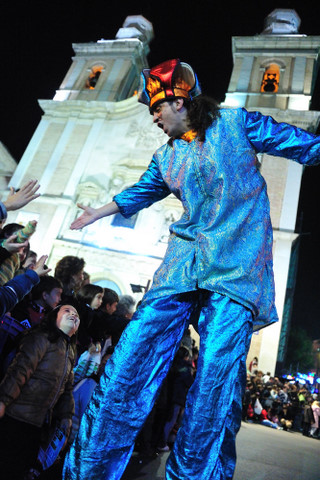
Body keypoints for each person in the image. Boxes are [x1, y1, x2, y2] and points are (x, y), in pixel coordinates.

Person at [63, 58, 320, 480]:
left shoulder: (236, 124)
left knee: (213, 386)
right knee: (128, 363)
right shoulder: (166, 157)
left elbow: (303, 145)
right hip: (182, 266)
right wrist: (97, 213)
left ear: (179, 101)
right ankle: (89, 470)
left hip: (235, 269)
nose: (154, 118)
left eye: (157, 109)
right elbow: (139, 193)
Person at [0, 304, 80, 480]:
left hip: (37, 425)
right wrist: (3, 401)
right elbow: (20, 369)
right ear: (54, 317)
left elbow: (67, 390)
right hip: (16, 417)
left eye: (76, 314)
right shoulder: (41, 338)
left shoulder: (70, 351)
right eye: (67, 311)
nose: (73, 315)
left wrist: (66, 418)